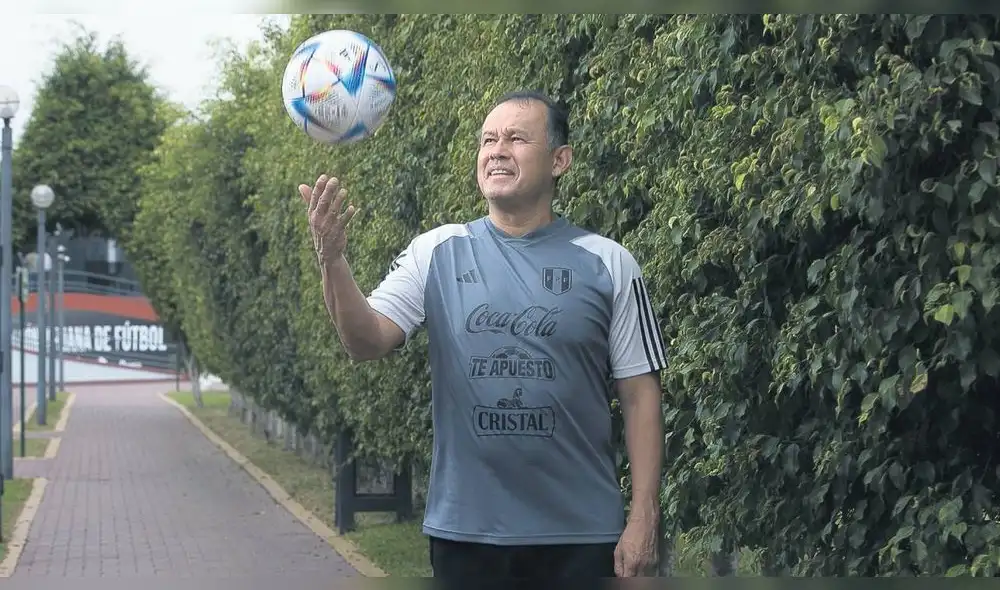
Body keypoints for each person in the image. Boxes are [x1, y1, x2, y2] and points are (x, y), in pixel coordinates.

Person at [298, 90, 666, 579]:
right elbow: (365, 341)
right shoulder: (436, 251)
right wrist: (333, 260)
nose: (497, 150)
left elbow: (641, 395)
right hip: (465, 533)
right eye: (489, 139)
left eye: (516, 138)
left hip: (580, 534)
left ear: (560, 160)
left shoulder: (609, 263)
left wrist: (643, 514)